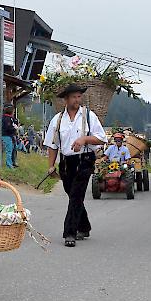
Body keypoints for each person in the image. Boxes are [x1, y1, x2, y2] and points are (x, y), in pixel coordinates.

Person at [43, 83, 107, 247]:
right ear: (66, 99)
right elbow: (52, 145)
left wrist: (84, 139)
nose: (77, 100)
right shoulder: (57, 119)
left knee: (77, 195)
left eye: (79, 96)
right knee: (73, 195)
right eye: (74, 97)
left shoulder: (88, 116)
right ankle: (84, 226)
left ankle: (69, 233)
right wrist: (51, 166)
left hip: (84, 159)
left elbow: (101, 138)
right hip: (66, 161)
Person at [1, 104, 16, 168]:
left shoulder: (8, 118)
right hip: (7, 136)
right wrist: (14, 128)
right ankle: (9, 165)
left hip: (9, 136)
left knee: (11, 149)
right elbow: (8, 128)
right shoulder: (7, 118)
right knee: (9, 151)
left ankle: (11, 163)